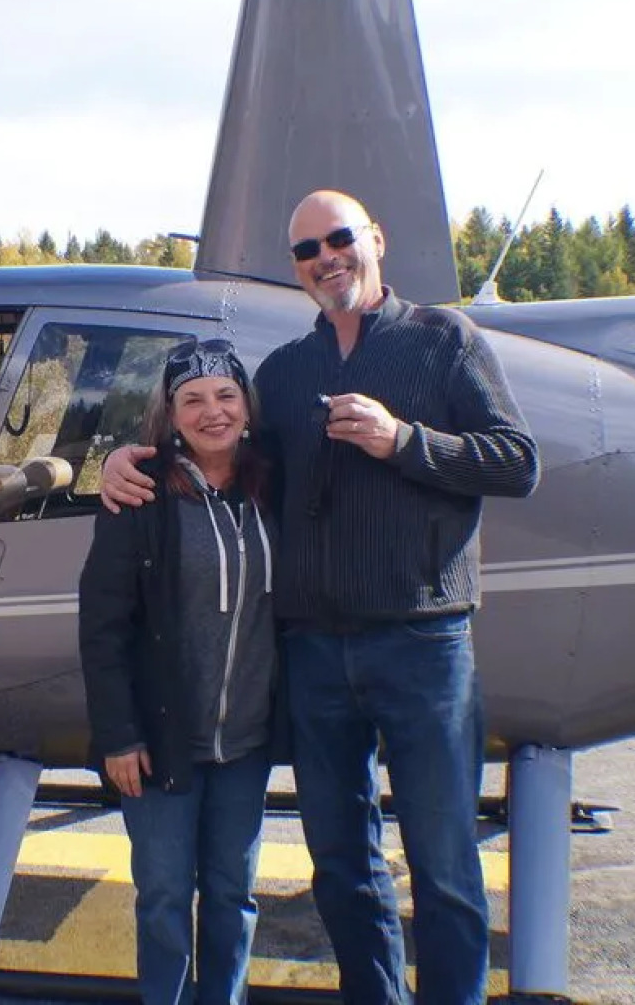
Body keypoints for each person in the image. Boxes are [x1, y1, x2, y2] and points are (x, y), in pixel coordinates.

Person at [101, 190, 539, 1005]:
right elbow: (223, 457)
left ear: (374, 240)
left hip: (421, 643)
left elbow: (516, 463)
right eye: (307, 249)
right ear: (297, 267)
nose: (325, 257)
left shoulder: (445, 340)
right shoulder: (286, 371)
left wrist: (403, 441)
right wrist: (128, 463)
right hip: (312, 653)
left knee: (443, 861)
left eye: (339, 239)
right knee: (339, 861)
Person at [79, 338, 280, 1005]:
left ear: (247, 406)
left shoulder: (275, 489)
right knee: (164, 896)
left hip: (245, 741)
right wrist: (117, 734)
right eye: (191, 400)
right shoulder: (139, 495)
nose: (211, 411)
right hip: (160, 741)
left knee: (231, 894)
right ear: (169, 415)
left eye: (225, 395)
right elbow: (102, 626)